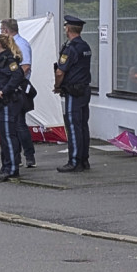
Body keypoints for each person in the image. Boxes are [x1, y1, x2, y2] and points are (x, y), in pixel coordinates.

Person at [0, 34, 26, 181]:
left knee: (9, 135)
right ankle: (6, 166)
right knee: (4, 136)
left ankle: (12, 168)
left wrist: (4, 90)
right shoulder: (1, 60)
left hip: (8, 102)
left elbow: (17, 76)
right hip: (1, 103)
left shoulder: (9, 60)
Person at [53, 15, 92, 172]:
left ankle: (74, 161)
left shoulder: (71, 49)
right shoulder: (85, 46)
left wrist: (57, 86)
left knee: (73, 126)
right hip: (84, 90)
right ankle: (84, 160)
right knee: (83, 125)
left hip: (73, 91)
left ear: (68, 29)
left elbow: (60, 72)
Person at [0, 18, 36, 168]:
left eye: (2, 30)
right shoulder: (10, 45)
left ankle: (29, 155)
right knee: (14, 124)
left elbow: (25, 66)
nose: (1, 33)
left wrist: (13, 81)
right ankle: (17, 156)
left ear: (7, 31)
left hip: (19, 88)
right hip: (11, 88)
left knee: (19, 123)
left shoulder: (21, 44)